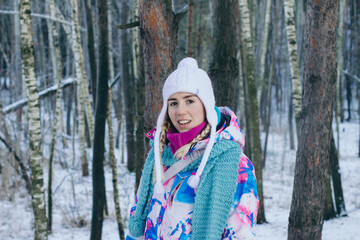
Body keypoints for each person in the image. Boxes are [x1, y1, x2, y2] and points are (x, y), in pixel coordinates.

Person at [126, 57, 259, 240]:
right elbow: (139, 213)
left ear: (206, 105)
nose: (180, 111)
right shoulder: (158, 156)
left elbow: (240, 234)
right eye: (173, 103)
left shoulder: (235, 164)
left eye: (189, 101)